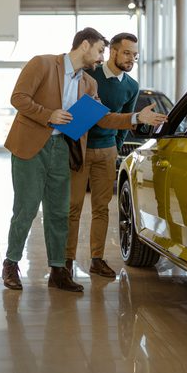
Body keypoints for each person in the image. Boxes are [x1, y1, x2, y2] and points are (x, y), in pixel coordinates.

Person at [1, 27, 167, 292]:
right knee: (27, 208)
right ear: (84, 46)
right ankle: (11, 263)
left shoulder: (88, 84)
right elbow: (18, 98)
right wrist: (49, 115)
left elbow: (102, 117)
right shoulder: (42, 63)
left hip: (62, 147)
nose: (102, 57)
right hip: (30, 146)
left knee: (59, 211)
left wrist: (136, 118)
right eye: (100, 50)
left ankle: (58, 271)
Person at [65, 32, 140, 278]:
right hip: (81, 148)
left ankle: (97, 259)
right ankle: (66, 260)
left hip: (107, 152)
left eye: (135, 55)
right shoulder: (89, 75)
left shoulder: (131, 86)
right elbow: (76, 115)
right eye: (127, 53)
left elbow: (126, 122)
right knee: (73, 207)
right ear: (113, 52)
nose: (131, 59)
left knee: (102, 208)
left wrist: (115, 147)